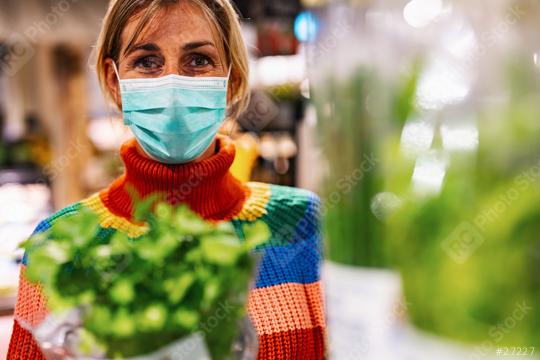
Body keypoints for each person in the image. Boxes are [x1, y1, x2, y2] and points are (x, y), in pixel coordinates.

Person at [7, 0, 326, 359]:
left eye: (198, 60)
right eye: (146, 61)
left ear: (231, 81)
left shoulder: (302, 225)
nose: (172, 82)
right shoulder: (60, 247)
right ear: (115, 84)